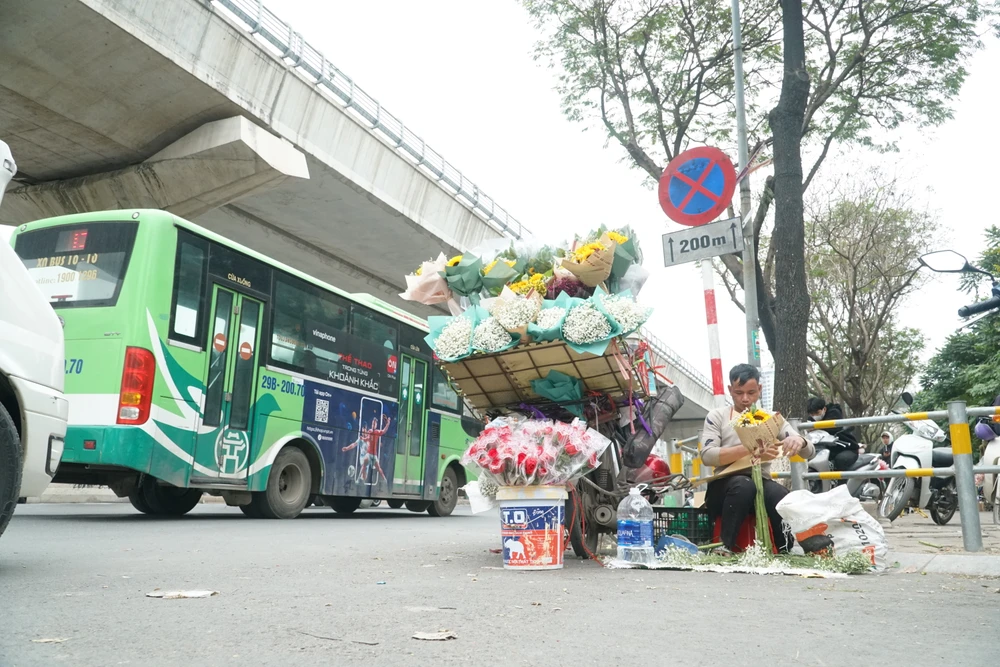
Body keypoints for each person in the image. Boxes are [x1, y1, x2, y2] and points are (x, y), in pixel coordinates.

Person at [701, 364, 814, 553]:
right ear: (730, 390)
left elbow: (809, 451)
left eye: (751, 392)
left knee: (780, 495)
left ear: (759, 390)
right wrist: (750, 449)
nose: (745, 399)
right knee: (744, 485)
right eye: (739, 393)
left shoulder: (770, 418)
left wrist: (799, 441)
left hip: (760, 482)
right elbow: (707, 456)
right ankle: (724, 547)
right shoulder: (717, 417)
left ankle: (786, 549)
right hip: (724, 488)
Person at [805, 396, 859, 471]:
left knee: (841, 460)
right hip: (825, 449)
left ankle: (842, 482)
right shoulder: (811, 420)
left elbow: (833, 428)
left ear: (824, 409)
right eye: (812, 414)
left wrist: (815, 427)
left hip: (846, 448)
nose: (815, 416)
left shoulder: (834, 413)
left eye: (817, 413)